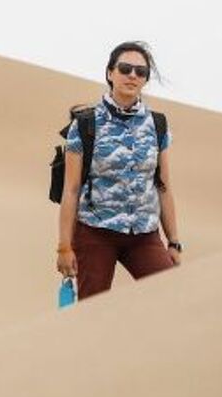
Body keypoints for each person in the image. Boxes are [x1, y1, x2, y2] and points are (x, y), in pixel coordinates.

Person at [56, 41, 182, 300]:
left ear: (145, 79)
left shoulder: (157, 124)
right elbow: (71, 190)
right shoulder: (85, 124)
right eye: (125, 68)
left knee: (171, 296)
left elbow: (164, 186)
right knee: (93, 309)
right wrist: (64, 247)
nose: (132, 75)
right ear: (110, 73)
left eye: (140, 71)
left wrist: (174, 241)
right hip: (95, 232)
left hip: (144, 234)